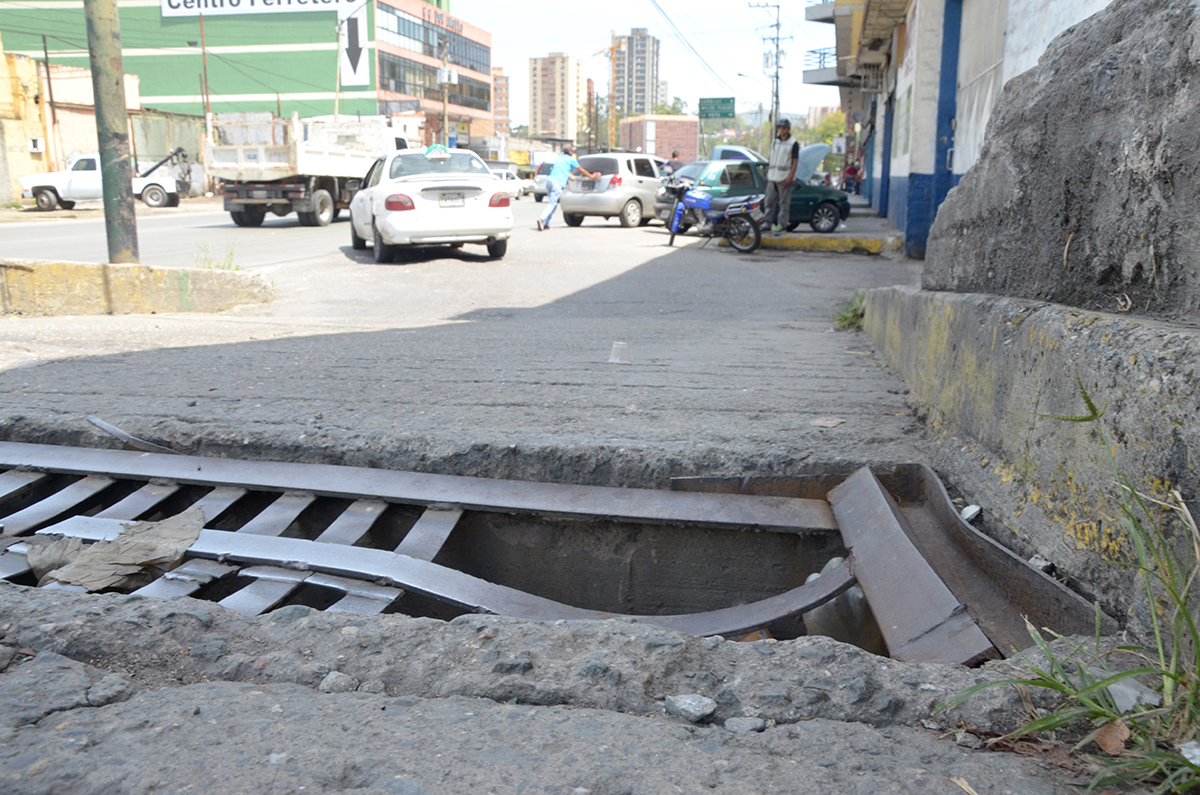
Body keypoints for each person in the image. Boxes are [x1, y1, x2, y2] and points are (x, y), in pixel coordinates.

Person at [537, 143, 599, 231]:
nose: (573, 152)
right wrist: (591, 176)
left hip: (549, 181)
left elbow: (563, 170)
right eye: (573, 151)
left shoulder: (559, 158)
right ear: (570, 152)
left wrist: (569, 176)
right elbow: (581, 170)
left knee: (553, 204)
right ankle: (542, 219)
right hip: (557, 183)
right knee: (552, 203)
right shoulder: (571, 160)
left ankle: (547, 224)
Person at [764, 118, 800, 236]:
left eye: (783, 127)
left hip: (784, 178)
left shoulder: (793, 143)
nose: (781, 130)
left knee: (784, 204)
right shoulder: (774, 142)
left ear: (788, 129)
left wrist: (790, 177)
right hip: (772, 177)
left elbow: (795, 161)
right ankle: (767, 223)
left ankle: (781, 225)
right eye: (779, 127)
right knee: (769, 202)